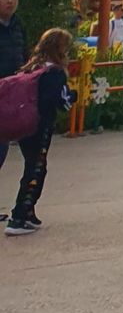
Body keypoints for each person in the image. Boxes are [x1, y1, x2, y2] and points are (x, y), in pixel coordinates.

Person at [3, 27, 75, 236]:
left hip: (24, 124)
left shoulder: (31, 67)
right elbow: (60, 101)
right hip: (40, 126)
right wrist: (73, 97)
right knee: (36, 169)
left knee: (33, 165)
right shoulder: (54, 73)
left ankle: (29, 213)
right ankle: (19, 215)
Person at [0, 0, 26, 177]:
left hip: (11, 96)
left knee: (2, 150)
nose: (9, 1)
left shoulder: (18, 25)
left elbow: (24, 56)